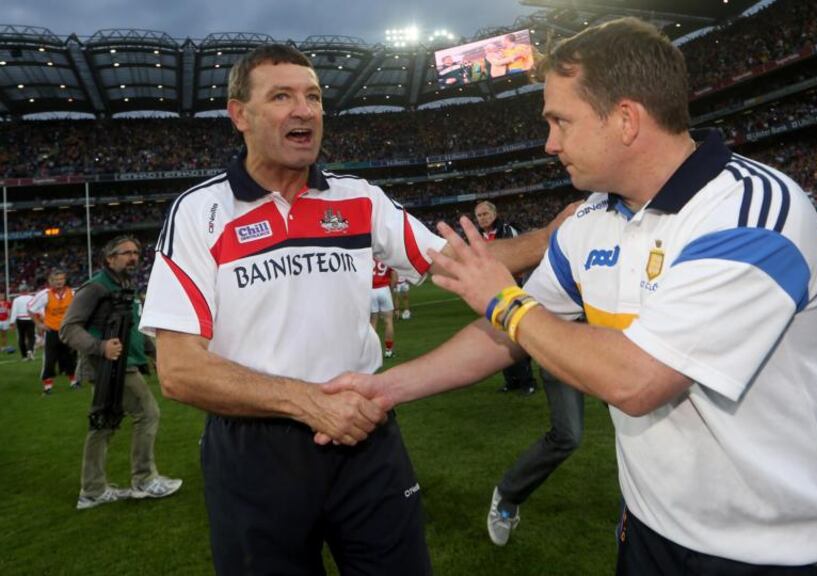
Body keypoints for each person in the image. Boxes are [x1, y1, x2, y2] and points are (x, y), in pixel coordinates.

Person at [324, 18, 817, 574]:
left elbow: (639, 381)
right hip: (652, 534)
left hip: (792, 552)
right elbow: (509, 338)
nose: (549, 143)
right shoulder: (590, 221)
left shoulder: (751, 213)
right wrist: (383, 390)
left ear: (626, 119)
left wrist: (504, 299)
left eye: (561, 121)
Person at [139, 44, 556, 575]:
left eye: (313, 96)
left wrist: (555, 236)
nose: (305, 110)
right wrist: (307, 402)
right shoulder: (201, 213)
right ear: (239, 115)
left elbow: (459, 264)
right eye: (282, 96)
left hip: (366, 431)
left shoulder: (359, 198)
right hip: (256, 446)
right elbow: (178, 370)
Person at [60, 235, 183, 510]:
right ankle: (144, 480)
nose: (133, 257)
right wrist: (100, 346)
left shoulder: (125, 284)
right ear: (109, 259)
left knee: (105, 423)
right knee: (147, 413)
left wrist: (152, 352)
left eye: (136, 252)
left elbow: (134, 325)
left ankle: (92, 491)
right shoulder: (95, 288)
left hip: (122, 363)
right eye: (125, 252)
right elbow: (68, 328)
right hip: (110, 366)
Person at [487, 364, 583, 546]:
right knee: (568, 435)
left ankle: (633, 515)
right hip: (564, 351)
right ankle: (509, 494)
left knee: (635, 420)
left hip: (620, 347)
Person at [475, 200, 536, 395]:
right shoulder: (476, 237)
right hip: (490, 292)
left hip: (513, 288)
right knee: (498, 336)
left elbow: (520, 257)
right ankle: (511, 380)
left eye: (485, 214)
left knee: (517, 333)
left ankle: (528, 380)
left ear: (494, 214)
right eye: (479, 215)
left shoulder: (509, 230)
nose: (482, 218)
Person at [30, 269, 79, 394]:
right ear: (50, 281)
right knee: (50, 359)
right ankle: (48, 387)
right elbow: (30, 308)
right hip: (51, 331)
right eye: (56, 280)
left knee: (71, 357)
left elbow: (78, 311)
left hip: (68, 331)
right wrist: (39, 324)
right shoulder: (45, 294)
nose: (59, 282)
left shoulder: (72, 293)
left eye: (61, 279)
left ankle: (74, 382)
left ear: (65, 279)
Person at [370, 259, 397, 358]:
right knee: (388, 321)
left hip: (371, 290)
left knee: (373, 323)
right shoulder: (385, 256)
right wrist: (391, 290)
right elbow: (394, 275)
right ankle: (389, 350)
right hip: (384, 289)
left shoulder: (367, 255)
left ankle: (372, 352)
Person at [12, 287, 37, 361]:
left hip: (20, 320)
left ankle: (24, 356)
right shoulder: (33, 298)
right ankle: (30, 350)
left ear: (20, 291)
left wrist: (12, 322)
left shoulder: (16, 300)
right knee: (31, 337)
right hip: (30, 319)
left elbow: (14, 310)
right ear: (28, 291)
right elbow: (35, 308)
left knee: (21, 337)